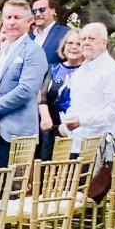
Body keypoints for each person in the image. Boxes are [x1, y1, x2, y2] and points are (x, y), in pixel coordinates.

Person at [0, 0, 48, 167]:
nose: (11, 22)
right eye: (8, 17)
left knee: (12, 190)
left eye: (17, 18)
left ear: (29, 21)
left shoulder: (34, 52)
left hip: (17, 134)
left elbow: (26, 90)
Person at [60, 22, 115, 152]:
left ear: (104, 43)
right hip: (76, 144)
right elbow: (75, 104)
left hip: (100, 148)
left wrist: (83, 121)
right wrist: (67, 123)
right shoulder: (81, 71)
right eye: (83, 39)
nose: (86, 42)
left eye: (91, 38)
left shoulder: (112, 71)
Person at [40, 29, 85, 157]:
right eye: (70, 43)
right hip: (51, 129)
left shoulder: (87, 72)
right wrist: (45, 117)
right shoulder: (53, 69)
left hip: (76, 131)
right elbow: (43, 96)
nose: (74, 47)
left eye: (78, 44)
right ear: (64, 46)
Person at [31, 0, 69, 65]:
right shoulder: (28, 38)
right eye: (34, 11)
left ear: (53, 11)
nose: (37, 14)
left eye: (42, 10)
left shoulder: (66, 34)